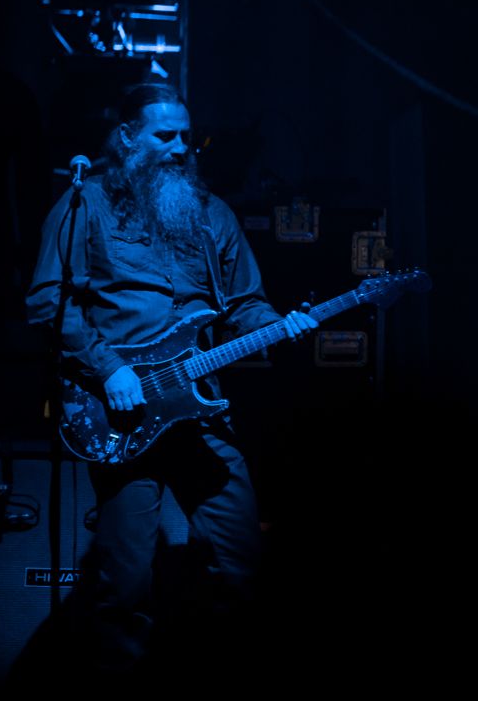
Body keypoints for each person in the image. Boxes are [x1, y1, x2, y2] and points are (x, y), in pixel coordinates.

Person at [26, 83, 317, 667]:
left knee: (242, 563)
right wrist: (108, 370)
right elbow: (44, 302)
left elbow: (243, 305)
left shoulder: (212, 214)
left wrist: (281, 324)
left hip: (200, 411)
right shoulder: (85, 204)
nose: (182, 147)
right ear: (128, 138)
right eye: (165, 135)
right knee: (126, 587)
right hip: (124, 414)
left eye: (187, 135)